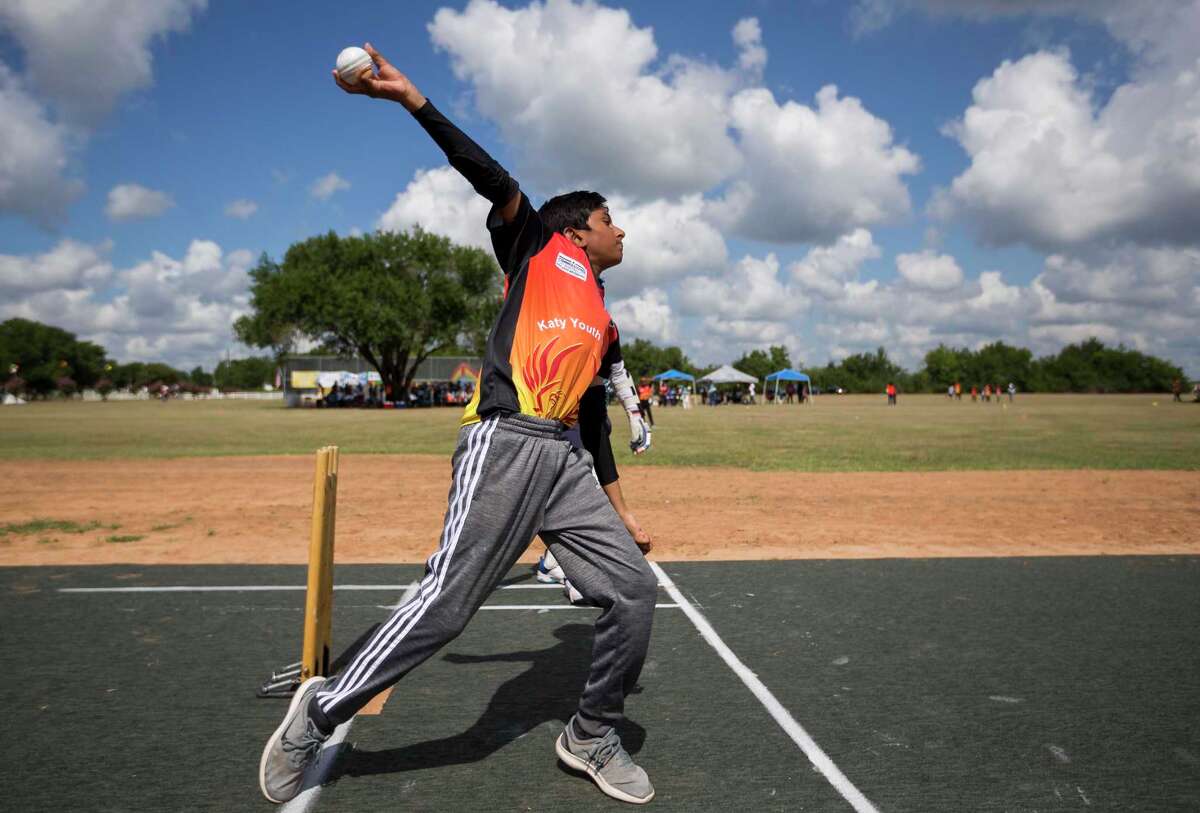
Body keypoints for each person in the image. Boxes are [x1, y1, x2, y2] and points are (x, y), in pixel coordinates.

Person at [260, 44, 658, 806]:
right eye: (612, 219)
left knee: (633, 592)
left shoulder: (604, 321)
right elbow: (489, 175)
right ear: (578, 229)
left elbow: (596, 422)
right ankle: (320, 711)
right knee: (448, 601)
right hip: (505, 441)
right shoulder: (538, 242)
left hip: (565, 461)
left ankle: (589, 733)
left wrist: (622, 509)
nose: (623, 231)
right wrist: (414, 102)